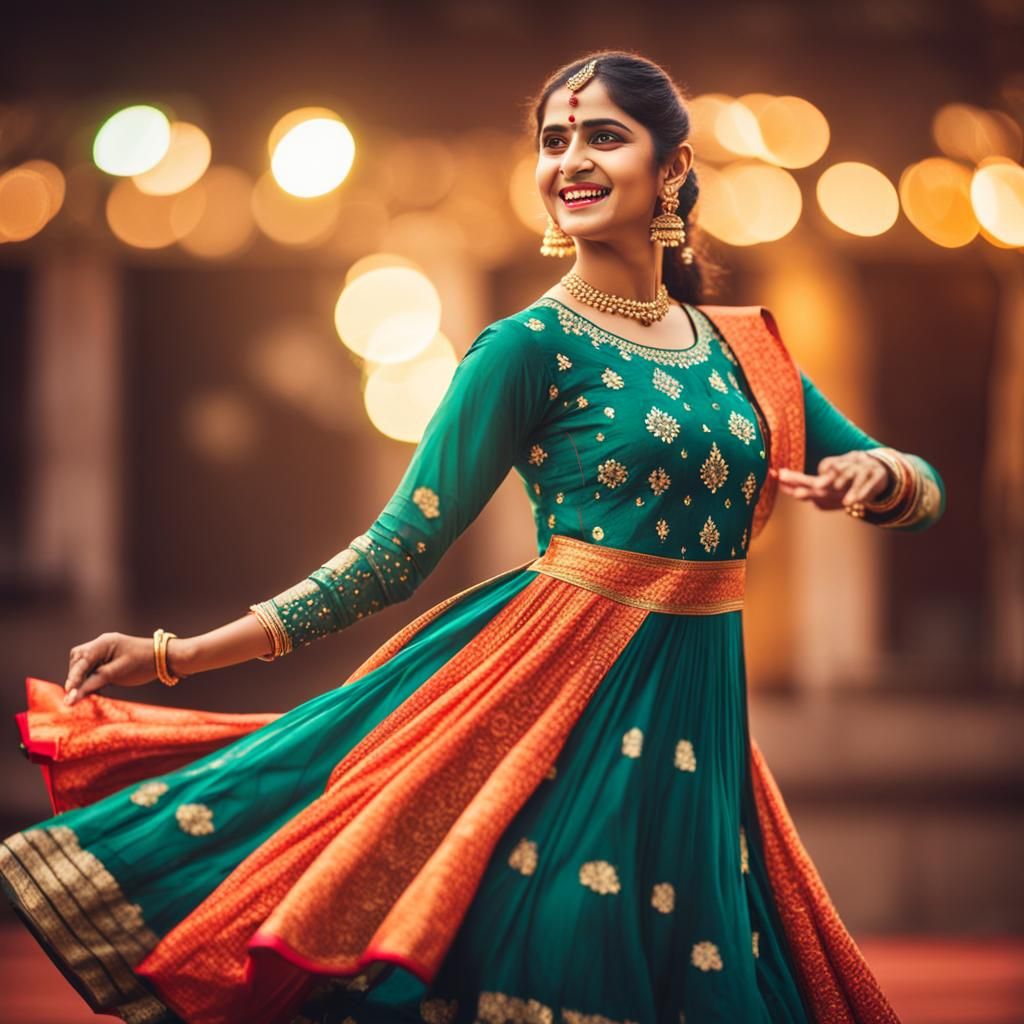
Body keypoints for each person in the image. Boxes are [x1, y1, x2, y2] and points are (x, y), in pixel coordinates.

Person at [0, 51, 943, 1024]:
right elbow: (390, 554)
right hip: (547, 721)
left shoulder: (746, 349)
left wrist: (879, 478)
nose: (569, 159)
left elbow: (919, 485)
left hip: (698, 754)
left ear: (671, 171)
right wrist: (177, 655)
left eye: (602, 135)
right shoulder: (527, 348)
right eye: (553, 139)